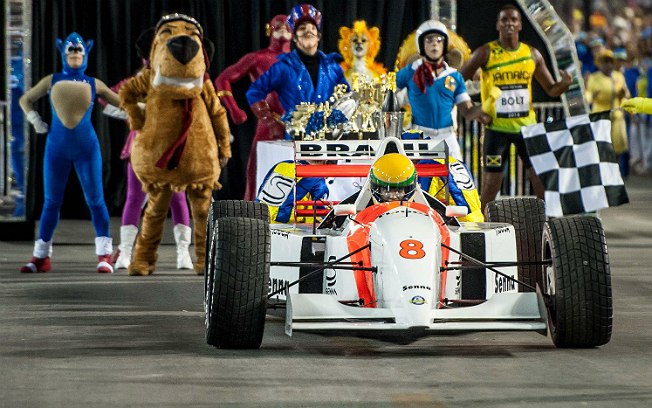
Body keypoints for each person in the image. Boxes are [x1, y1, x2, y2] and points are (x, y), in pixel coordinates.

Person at [19, 32, 121, 273]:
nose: (75, 52)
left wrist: (144, 109)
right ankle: (40, 257)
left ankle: (105, 255)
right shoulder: (51, 80)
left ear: (86, 54)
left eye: (79, 50)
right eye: (70, 50)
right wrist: (34, 119)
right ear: (63, 53)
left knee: (96, 201)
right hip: (57, 150)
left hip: (86, 149)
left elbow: (123, 103)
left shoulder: (94, 83)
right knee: (51, 203)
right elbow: (26, 99)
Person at [459, 4, 572, 213]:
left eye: (513, 20)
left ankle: (547, 224)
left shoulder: (532, 55)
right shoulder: (486, 53)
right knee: (491, 184)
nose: (509, 23)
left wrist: (564, 85)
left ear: (520, 25)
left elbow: (551, 89)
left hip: (527, 129)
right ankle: (483, 227)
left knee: (540, 179)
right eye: (504, 20)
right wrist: (469, 110)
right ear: (498, 25)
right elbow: (456, 81)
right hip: (497, 130)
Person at [109, 33, 194, 271]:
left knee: (178, 198)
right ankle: (125, 252)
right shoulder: (141, 78)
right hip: (141, 147)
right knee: (135, 197)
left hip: (170, 147)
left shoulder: (179, 77)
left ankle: (183, 253)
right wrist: (134, 112)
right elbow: (109, 98)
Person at [215, 15, 292, 201]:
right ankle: (250, 210)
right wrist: (234, 109)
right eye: (278, 25)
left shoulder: (302, 60)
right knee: (259, 169)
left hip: (299, 124)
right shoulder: (257, 58)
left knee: (301, 171)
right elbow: (222, 79)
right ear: (269, 29)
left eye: (288, 25)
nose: (283, 28)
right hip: (269, 121)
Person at [246, 3, 349, 141]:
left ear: (318, 36)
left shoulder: (333, 67)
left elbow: (348, 98)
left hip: (328, 142)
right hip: (295, 141)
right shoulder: (283, 67)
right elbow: (254, 92)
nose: (308, 31)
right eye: (302, 28)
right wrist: (271, 122)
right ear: (294, 37)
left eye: (313, 28)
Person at [396, 20, 491, 161]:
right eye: (429, 40)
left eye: (439, 40)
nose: (435, 44)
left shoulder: (454, 76)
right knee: (416, 180)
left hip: (447, 137)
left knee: (458, 179)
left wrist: (490, 104)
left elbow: (468, 112)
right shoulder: (409, 72)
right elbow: (389, 100)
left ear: (445, 45)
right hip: (419, 136)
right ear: (421, 44)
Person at [585, 49, 630, 175]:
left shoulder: (618, 76)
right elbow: (587, 94)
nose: (608, 65)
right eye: (605, 62)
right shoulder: (594, 78)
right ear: (599, 64)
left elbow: (626, 94)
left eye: (610, 62)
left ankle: (614, 172)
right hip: (600, 116)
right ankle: (601, 173)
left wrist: (624, 94)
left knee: (617, 147)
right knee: (601, 146)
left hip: (617, 117)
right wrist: (591, 96)